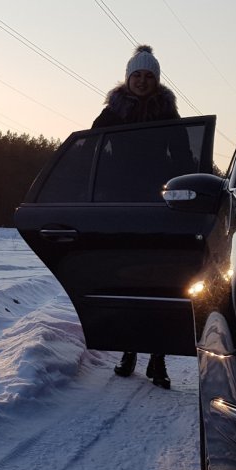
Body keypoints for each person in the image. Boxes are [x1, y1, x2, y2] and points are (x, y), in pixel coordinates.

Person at [93, 43, 181, 389]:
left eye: (148, 76)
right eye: (137, 75)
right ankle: (128, 351)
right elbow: (93, 149)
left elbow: (183, 153)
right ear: (127, 78)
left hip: (159, 203)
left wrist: (186, 190)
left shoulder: (167, 111)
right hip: (122, 202)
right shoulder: (112, 112)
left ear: (156, 80)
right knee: (128, 279)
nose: (142, 81)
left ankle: (157, 358)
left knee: (160, 281)